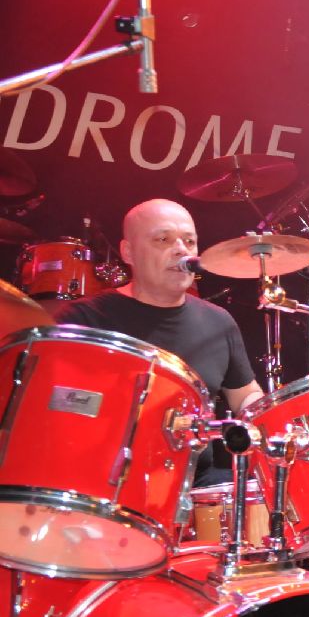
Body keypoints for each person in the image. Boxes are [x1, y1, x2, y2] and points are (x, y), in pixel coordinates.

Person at [57, 198, 264, 486]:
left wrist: (268, 415)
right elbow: (60, 406)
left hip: (196, 486)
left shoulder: (219, 321)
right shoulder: (83, 319)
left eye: (189, 242)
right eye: (163, 239)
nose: (181, 250)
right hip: (107, 487)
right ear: (128, 252)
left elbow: (244, 395)